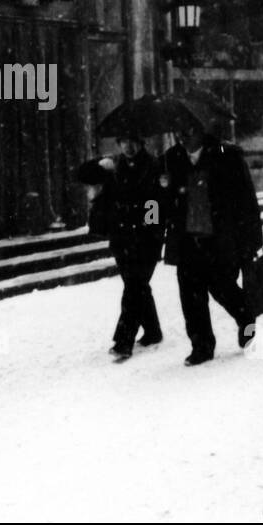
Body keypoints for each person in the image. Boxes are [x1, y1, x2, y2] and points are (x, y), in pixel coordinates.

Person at [163, 123, 263, 366]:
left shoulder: (226, 155)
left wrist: (251, 240)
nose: (182, 137)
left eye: (187, 132)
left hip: (219, 239)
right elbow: (160, 202)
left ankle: (246, 317)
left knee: (223, 289)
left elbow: (246, 200)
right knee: (190, 295)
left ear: (201, 130)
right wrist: (163, 195)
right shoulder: (171, 159)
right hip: (187, 239)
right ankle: (201, 346)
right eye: (178, 133)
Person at [76, 135, 167, 361]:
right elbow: (80, 175)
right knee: (136, 285)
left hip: (146, 239)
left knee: (134, 288)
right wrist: (99, 164)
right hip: (122, 238)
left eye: (132, 140)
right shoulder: (114, 165)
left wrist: (150, 226)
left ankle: (123, 341)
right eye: (123, 141)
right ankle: (153, 331)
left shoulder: (154, 166)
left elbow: (156, 201)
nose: (128, 145)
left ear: (142, 141)